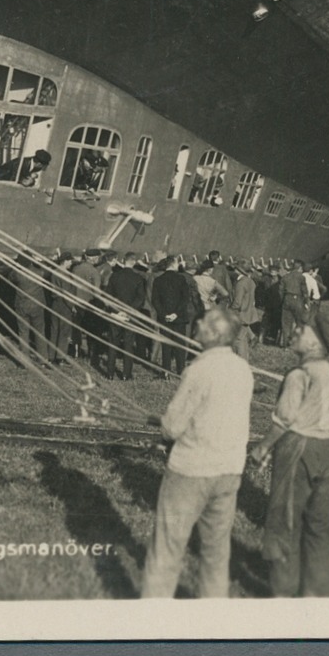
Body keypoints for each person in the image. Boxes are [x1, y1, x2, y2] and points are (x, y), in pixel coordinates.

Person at [139, 307, 254, 599]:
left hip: (191, 469)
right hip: (229, 469)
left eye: (204, 322)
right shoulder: (243, 369)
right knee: (216, 552)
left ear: (215, 334)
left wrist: (163, 424)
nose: (198, 325)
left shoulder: (198, 369)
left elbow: (174, 427)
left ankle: (152, 619)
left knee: (168, 547)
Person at [251, 321, 329, 598]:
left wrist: (262, 447)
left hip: (297, 447)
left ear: (314, 343)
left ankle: (284, 590)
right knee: (320, 522)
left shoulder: (298, 374)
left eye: (300, 332)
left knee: (284, 519)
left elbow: (284, 419)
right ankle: (316, 589)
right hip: (325, 449)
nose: (293, 334)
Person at [149, 255, 199, 376]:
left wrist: (164, 314)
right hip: (179, 317)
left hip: (164, 318)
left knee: (166, 345)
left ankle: (166, 371)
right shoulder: (181, 279)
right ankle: (180, 370)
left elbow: (155, 300)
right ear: (172, 264)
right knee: (179, 345)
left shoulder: (158, 280)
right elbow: (185, 299)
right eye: (177, 263)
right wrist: (176, 313)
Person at [104, 252, 150, 380]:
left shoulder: (114, 276)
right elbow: (140, 299)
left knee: (113, 342)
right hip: (130, 315)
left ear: (123, 261)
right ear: (134, 262)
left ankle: (110, 373)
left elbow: (108, 296)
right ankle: (126, 374)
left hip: (116, 313)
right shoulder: (138, 278)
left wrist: (116, 311)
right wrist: (129, 311)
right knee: (128, 345)